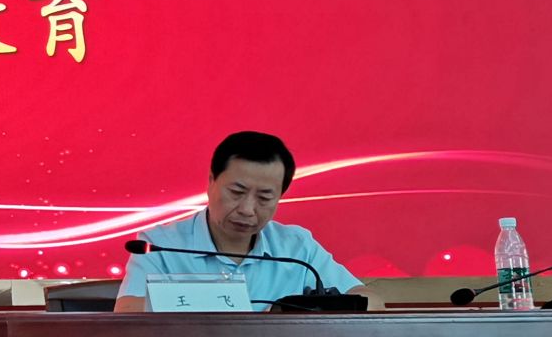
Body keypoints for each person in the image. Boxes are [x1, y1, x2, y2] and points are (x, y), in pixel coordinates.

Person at [114, 131, 379, 312]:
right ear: (211, 182)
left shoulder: (297, 247)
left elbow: (371, 302)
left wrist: (291, 313)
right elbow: (127, 312)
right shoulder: (159, 244)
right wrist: (230, 308)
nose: (247, 210)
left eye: (264, 198)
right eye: (236, 192)